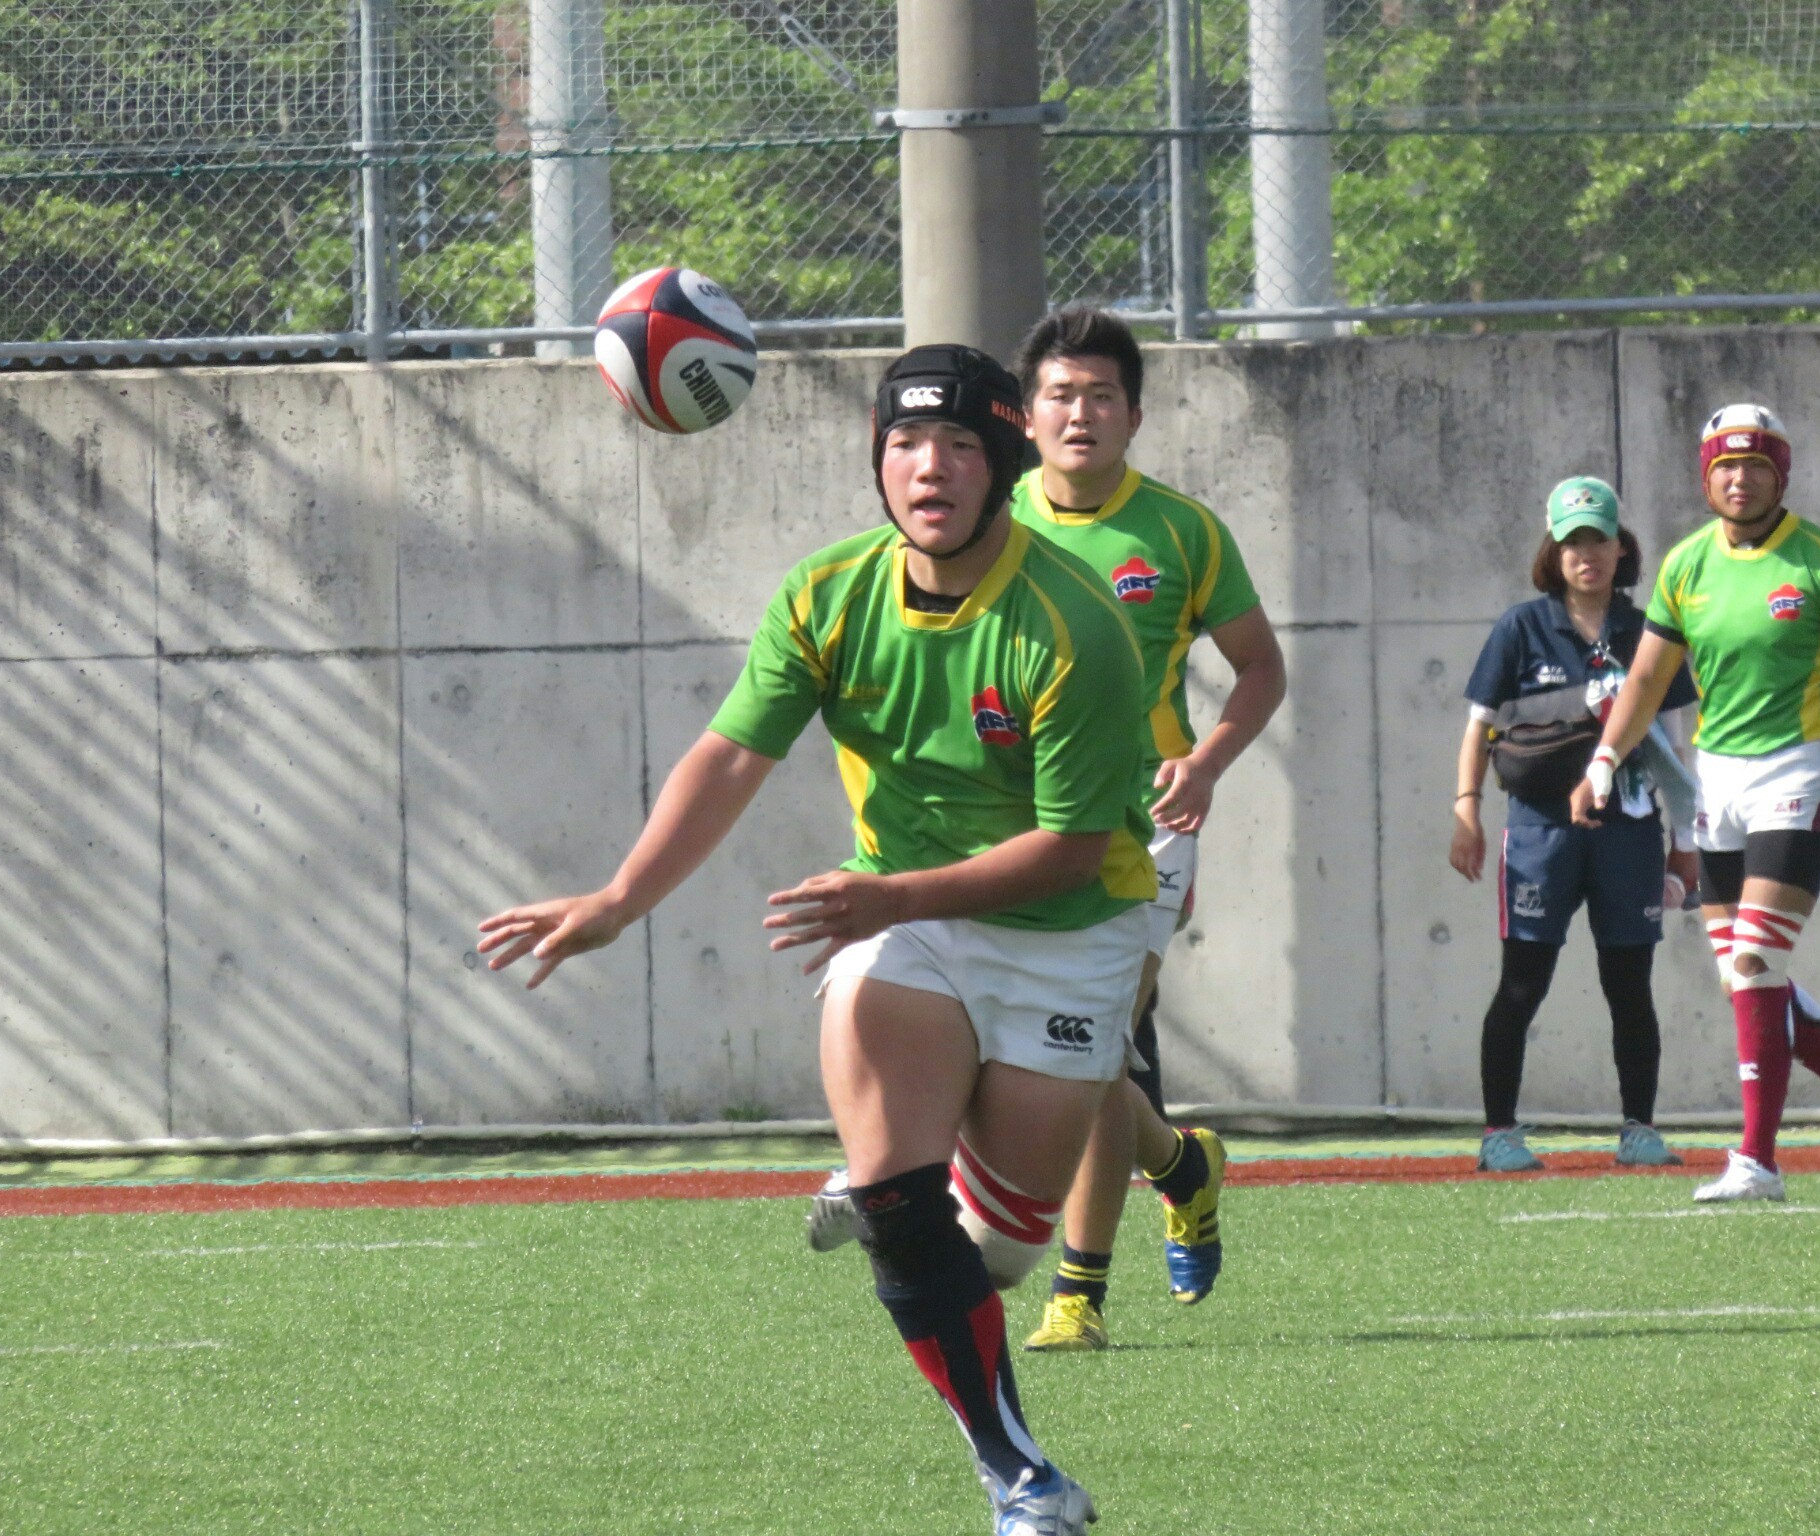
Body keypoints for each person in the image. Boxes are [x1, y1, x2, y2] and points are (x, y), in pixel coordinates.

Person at [478, 345, 1154, 1535]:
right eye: (903, 443)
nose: (927, 468)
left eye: (958, 446)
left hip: (1063, 932)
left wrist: (892, 900)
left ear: (1003, 464)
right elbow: (729, 757)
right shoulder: (825, 594)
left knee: (997, 1253)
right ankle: (1022, 1479)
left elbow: (1065, 851)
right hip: (901, 924)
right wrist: (619, 900)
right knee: (903, 1211)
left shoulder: (1074, 626)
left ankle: (909, 1185)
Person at [1009, 306, 1287, 1351]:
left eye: (1101, 396)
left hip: (1145, 828)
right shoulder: (991, 522)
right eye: (1060, 395)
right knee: (1039, 1045)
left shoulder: (1180, 531)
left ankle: (1076, 1293)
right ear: (1026, 415)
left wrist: (1204, 765)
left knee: (1086, 1046)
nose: (1079, 414)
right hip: (1017, 826)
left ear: (1134, 415)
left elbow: (1260, 667)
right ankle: (1180, 1164)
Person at [1570, 404, 1820, 1203]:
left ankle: (1758, 1160)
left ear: (1780, 474)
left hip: (1802, 763)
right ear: (1706, 476)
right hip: (1717, 776)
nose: (1739, 478)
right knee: (1745, 979)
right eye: (1725, 464)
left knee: (1757, 960)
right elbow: (1646, 678)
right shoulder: (1686, 564)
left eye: (1756, 464)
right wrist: (1603, 759)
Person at [1451, 477, 1698, 1173]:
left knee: (1630, 985)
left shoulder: (1649, 630)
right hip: (1539, 833)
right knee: (1522, 983)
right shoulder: (1520, 628)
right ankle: (1500, 1134)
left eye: (1599, 539)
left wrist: (1685, 842)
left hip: (1629, 831)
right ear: (1553, 553)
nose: (1586, 554)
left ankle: (1639, 1130)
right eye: (1572, 542)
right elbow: (1478, 728)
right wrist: (1466, 809)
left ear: (1622, 548)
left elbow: (1678, 745)